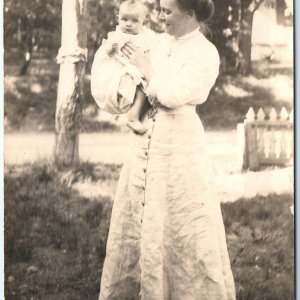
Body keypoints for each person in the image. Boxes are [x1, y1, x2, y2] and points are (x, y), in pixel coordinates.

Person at [92, 0, 236, 299]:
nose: (159, 16)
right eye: (159, 9)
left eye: (167, 11)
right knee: (137, 227)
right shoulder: (157, 43)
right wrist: (116, 66)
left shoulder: (204, 53)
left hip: (179, 147)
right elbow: (127, 88)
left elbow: (175, 94)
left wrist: (148, 71)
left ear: (190, 13)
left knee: (181, 227)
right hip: (143, 147)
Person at [91, 0, 156, 134]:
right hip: (122, 72)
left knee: (147, 87)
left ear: (143, 21)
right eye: (124, 19)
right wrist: (112, 49)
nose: (128, 24)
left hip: (137, 69)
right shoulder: (117, 36)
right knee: (140, 86)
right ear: (118, 19)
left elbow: (153, 48)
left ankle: (135, 117)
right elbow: (106, 52)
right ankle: (132, 117)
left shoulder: (146, 36)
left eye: (134, 21)